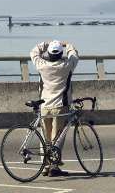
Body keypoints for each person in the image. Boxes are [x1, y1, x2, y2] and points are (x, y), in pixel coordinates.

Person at [30, 40, 79, 177]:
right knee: (57, 138)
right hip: (60, 106)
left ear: (49, 54)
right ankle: (54, 166)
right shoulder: (67, 66)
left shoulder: (42, 65)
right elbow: (74, 54)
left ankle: (45, 165)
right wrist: (67, 44)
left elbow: (34, 52)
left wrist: (46, 43)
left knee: (45, 137)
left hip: (44, 106)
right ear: (60, 54)